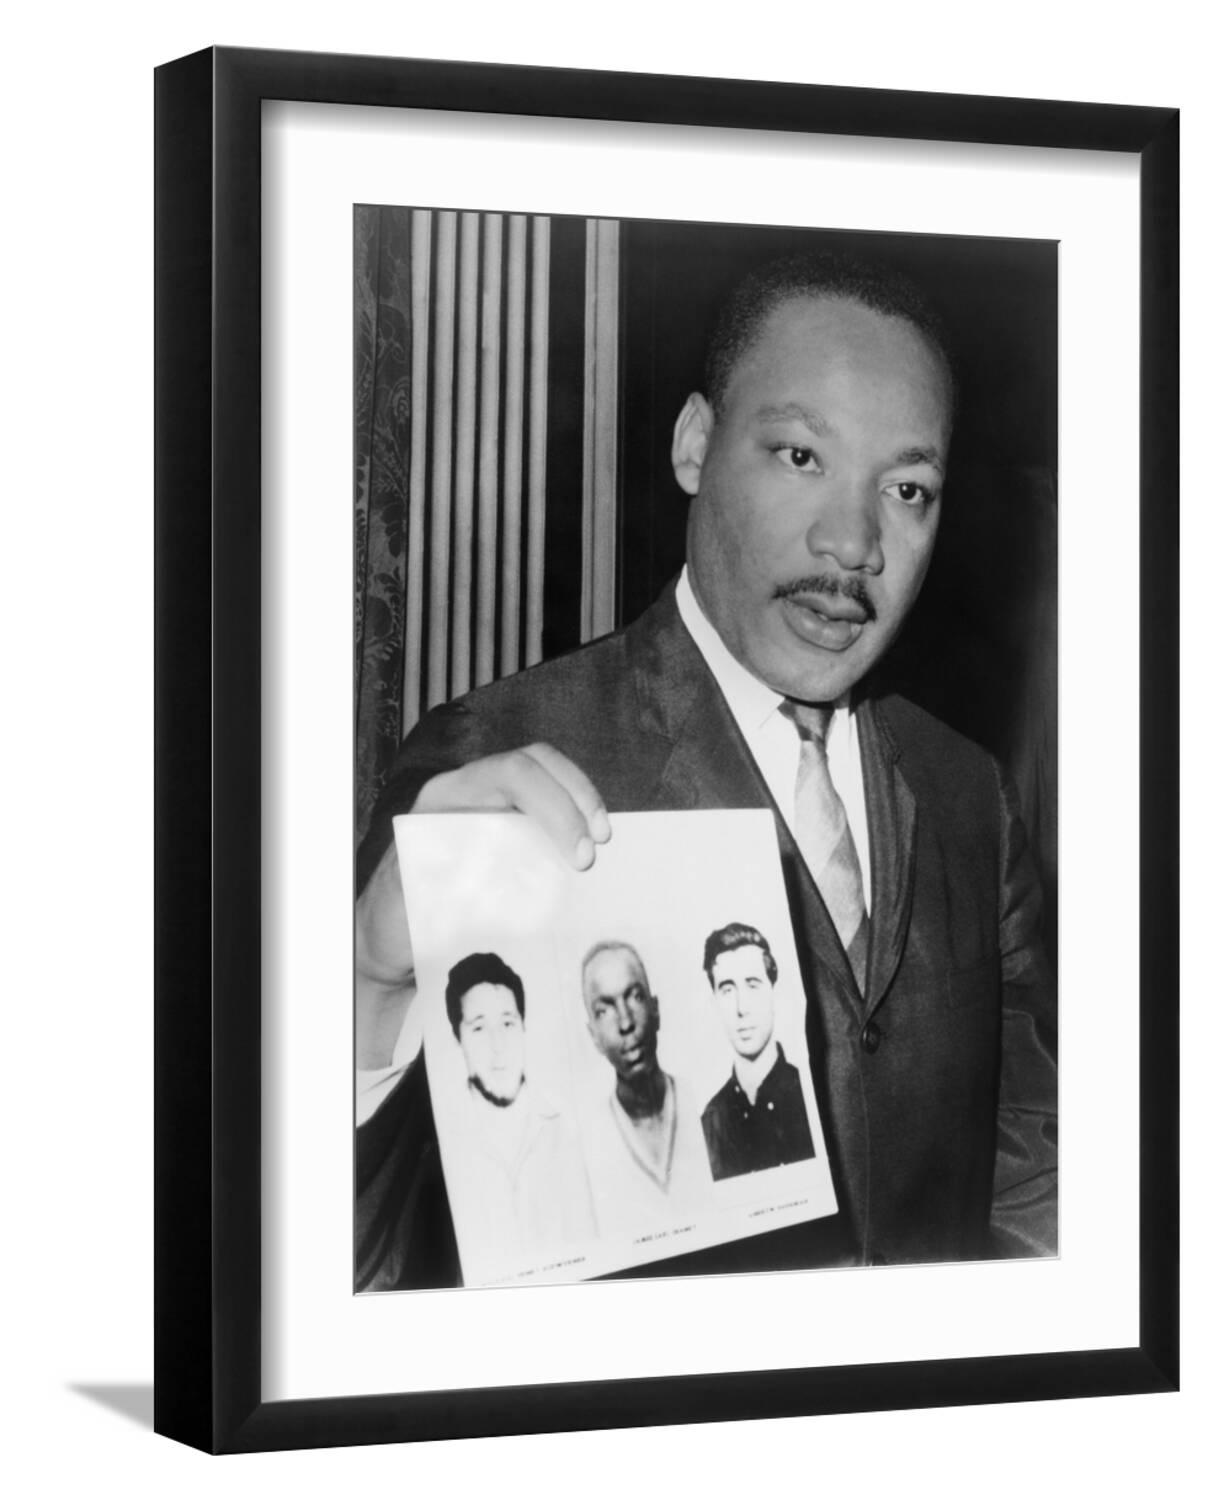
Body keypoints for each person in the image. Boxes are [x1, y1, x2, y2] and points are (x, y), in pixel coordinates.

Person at [354, 249, 1057, 1289]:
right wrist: (365, 987)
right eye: (797, 456)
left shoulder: (964, 791)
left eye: (906, 488)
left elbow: (1029, 1174)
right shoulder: (491, 759)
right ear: (694, 443)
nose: (852, 542)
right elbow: (338, 1270)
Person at [435, 952, 596, 1281]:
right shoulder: (443, 1147)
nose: (498, 1046)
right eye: (479, 1028)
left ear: (524, 1026)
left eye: (508, 1023)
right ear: (457, 1037)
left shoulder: (568, 1130)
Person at [577, 941, 712, 1235]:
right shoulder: (588, 1144)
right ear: (593, 1037)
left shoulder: (703, 1104)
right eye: (605, 1010)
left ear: (656, 1009)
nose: (625, 1022)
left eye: (635, 996)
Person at [699, 923, 815, 1181]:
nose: (742, 1007)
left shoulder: (811, 1095)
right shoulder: (708, 1124)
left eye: (752, 985)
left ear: (774, 991)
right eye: (727, 989)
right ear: (714, 1002)